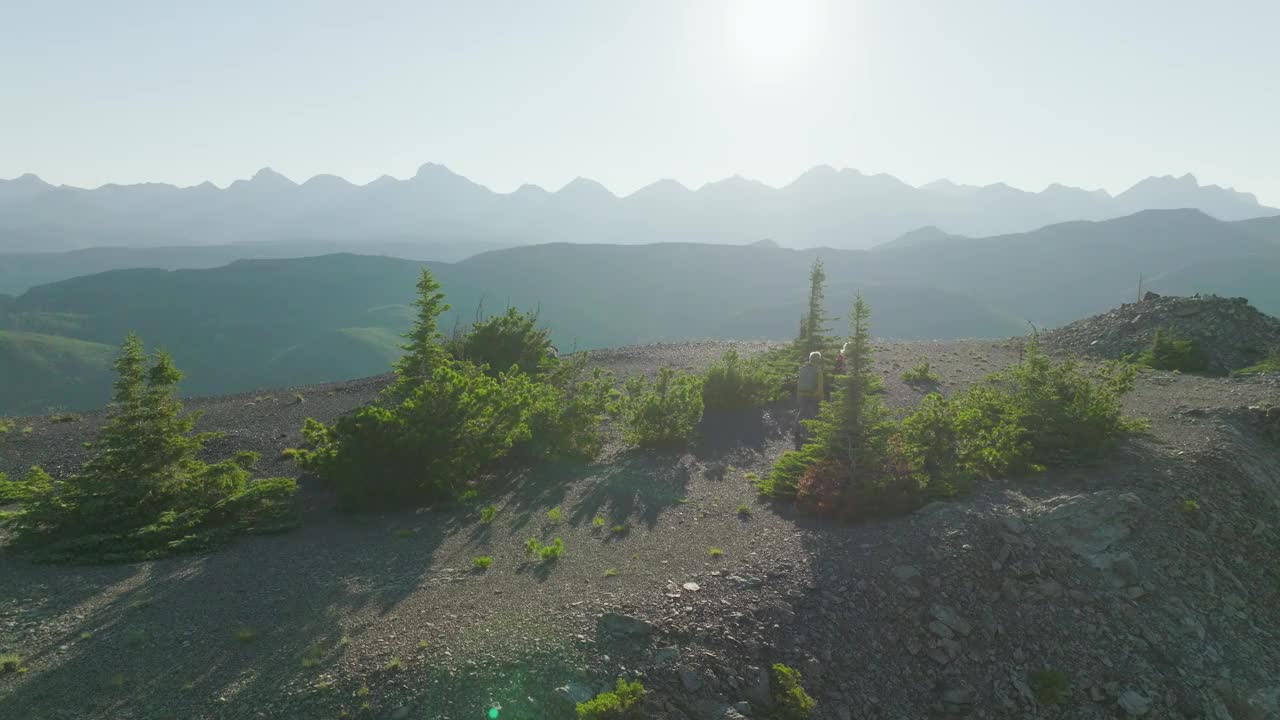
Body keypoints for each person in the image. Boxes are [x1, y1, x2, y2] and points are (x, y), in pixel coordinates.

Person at [795, 351, 824, 449]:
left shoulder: (802, 369)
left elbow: (799, 383)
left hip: (802, 394)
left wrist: (799, 396)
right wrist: (820, 397)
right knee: (814, 414)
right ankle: (812, 435)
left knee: (802, 413)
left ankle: (797, 431)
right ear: (818, 360)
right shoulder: (817, 370)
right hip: (813, 395)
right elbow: (819, 386)